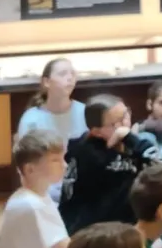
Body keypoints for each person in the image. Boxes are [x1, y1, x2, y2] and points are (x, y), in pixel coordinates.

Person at [59, 94, 156, 234]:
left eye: (126, 115)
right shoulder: (86, 152)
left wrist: (131, 139)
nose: (125, 124)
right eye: (117, 123)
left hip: (124, 227)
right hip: (93, 231)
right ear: (96, 132)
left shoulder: (132, 143)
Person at [15, 57, 86, 146]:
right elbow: (25, 153)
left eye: (73, 73)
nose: (70, 78)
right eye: (62, 74)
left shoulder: (86, 113)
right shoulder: (30, 119)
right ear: (47, 82)